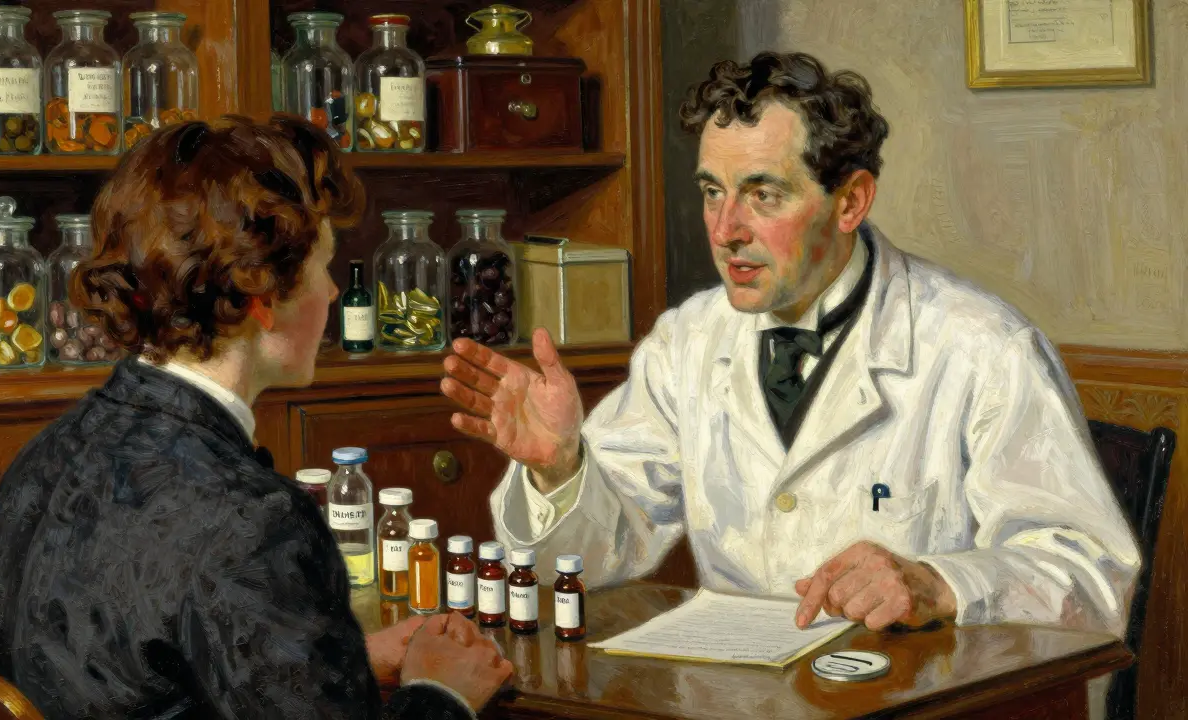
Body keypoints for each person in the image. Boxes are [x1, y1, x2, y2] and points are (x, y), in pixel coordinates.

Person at [441, 51, 1140, 637]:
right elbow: (600, 552)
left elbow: (1091, 574)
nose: (725, 230)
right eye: (713, 192)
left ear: (850, 202)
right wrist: (562, 469)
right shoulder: (688, 340)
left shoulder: (983, 346)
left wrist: (939, 583)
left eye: (763, 195)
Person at [0, 115, 512, 719]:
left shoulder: (49, 453)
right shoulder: (253, 522)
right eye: (323, 267)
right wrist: (442, 693)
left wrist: (331, 657)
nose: (333, 294)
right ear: (262, 295)